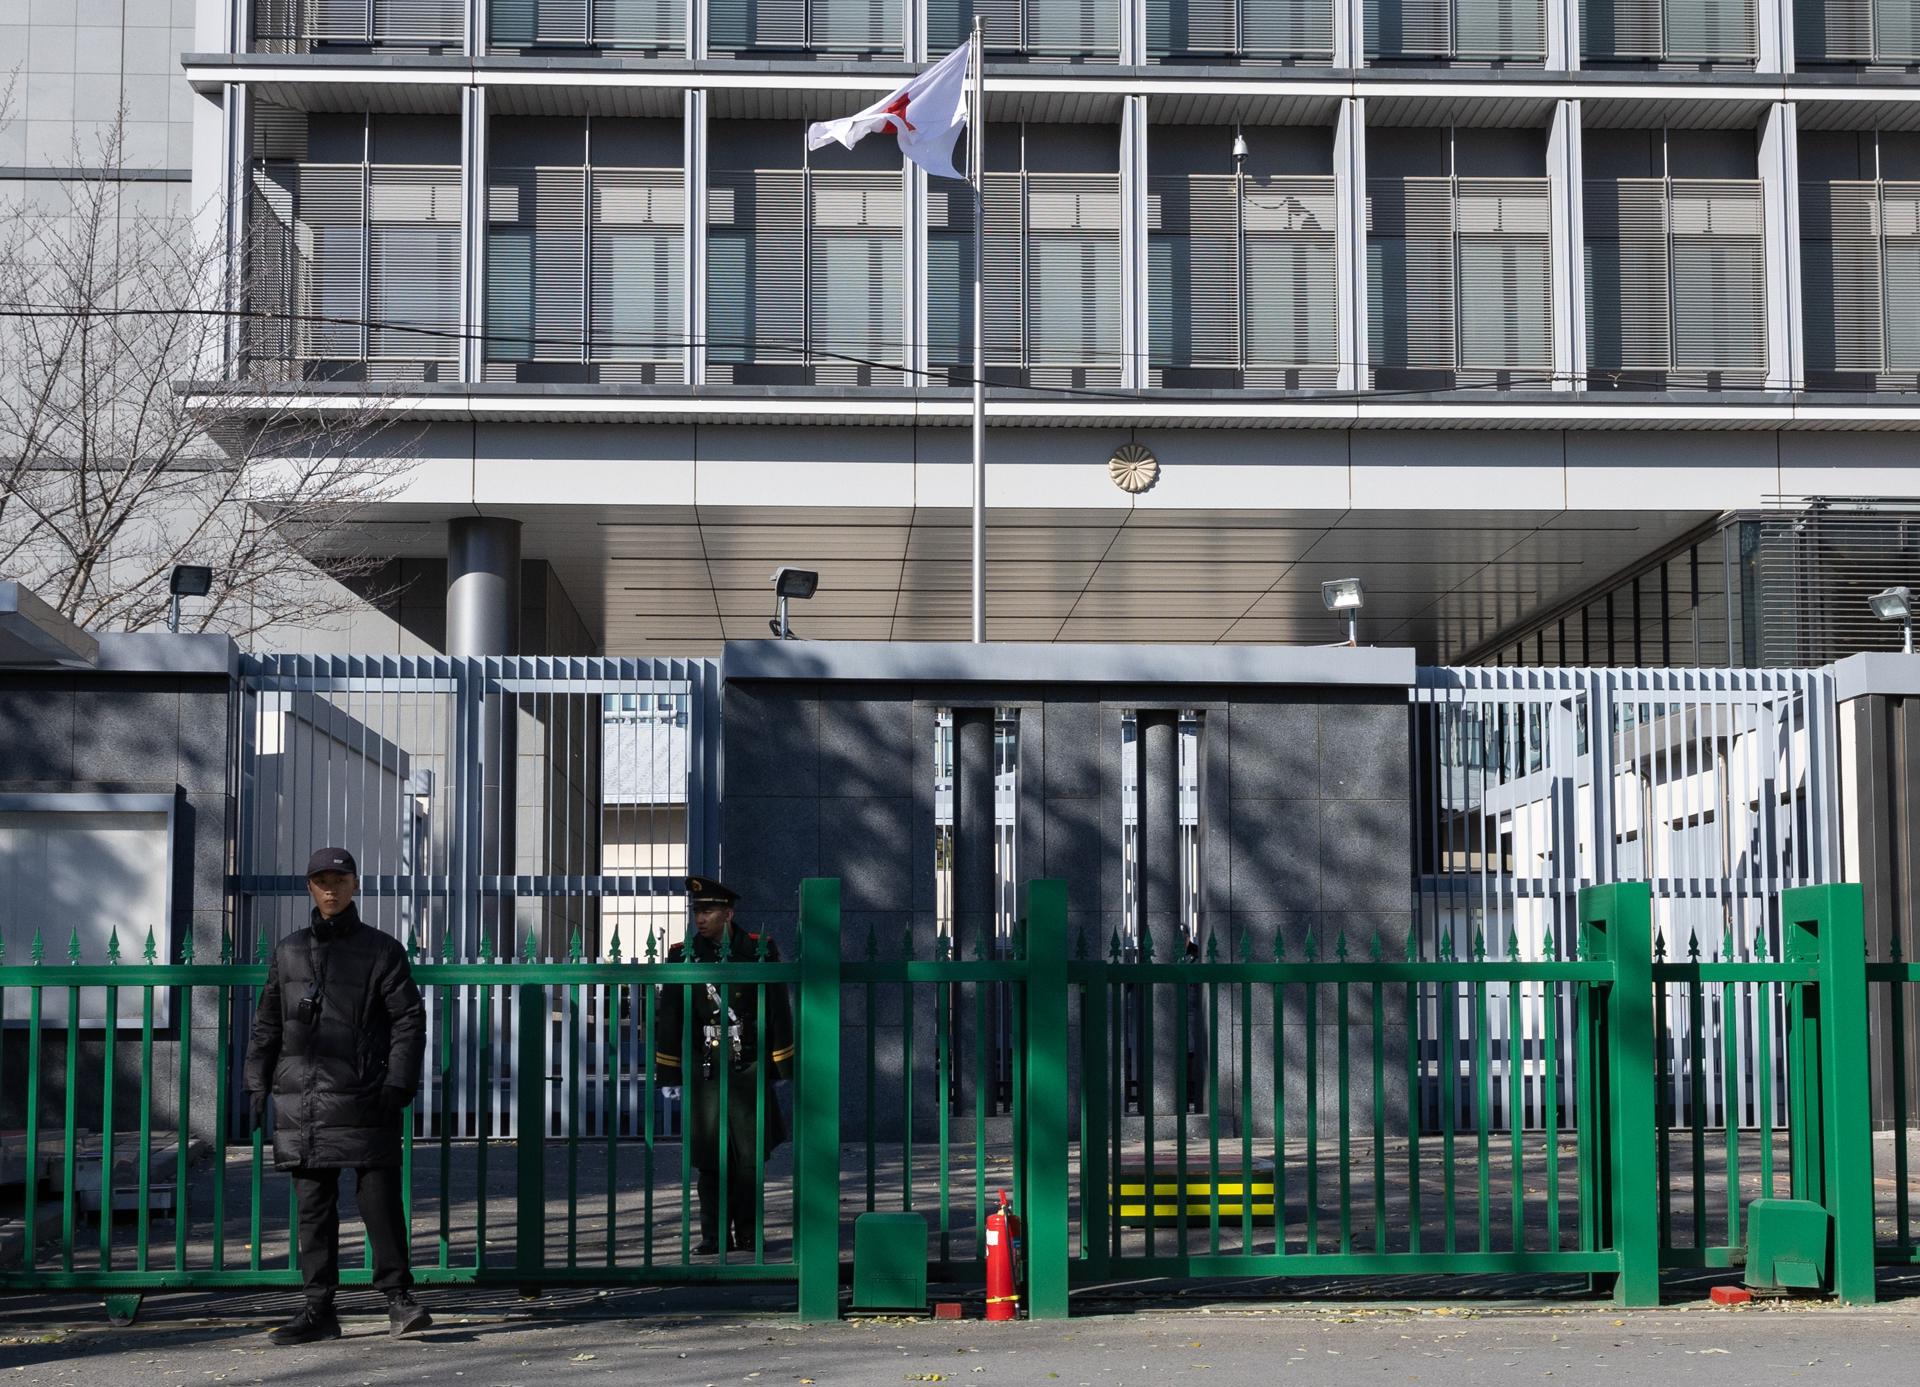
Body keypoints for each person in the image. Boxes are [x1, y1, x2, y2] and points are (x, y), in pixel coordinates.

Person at [244, 847, 431, 1345]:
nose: (330, 889)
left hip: (367, 1095)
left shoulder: (381, 950)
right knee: (313, 1208)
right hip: (301, 1100)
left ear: (354, 886)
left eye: (339, 880)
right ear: (310, 887)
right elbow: (267, 1024)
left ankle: (399, 1300)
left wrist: (398, 1082)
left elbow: (408, 1020)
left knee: (380, 1202)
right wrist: (256, 1083)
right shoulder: (288, 951)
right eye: (321, 881)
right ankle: (318, 1308)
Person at [653, 876, 795, 1254]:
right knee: (710, 1160)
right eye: (697, 911)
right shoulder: (683, 954)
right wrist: (669, 1071)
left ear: (728, 913)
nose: (700, 918)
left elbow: (778, 1007)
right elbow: (670, 1017)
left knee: (749, 1161)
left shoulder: (760, 949)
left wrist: (780, 1065)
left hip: (749, 1066)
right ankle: (713, 1236)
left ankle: (749, 1234)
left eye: (709, 910)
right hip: (707, 1070)